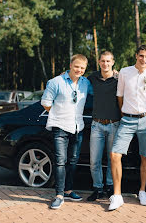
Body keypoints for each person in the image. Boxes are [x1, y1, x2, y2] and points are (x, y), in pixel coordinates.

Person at [108, 45, 146, 211]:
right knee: (114, 154)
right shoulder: (125, 72)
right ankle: (117, 195)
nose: (144, 60)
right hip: (127, 120)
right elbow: (119, 95)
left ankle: (142, 191)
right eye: (141, 56)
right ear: (136, 55)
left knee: (145, 157)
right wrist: (123, 113)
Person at [41, 54, 92, 210]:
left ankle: (68, 190)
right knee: (60, 161)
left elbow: (99, 90)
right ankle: (59, 195)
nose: (79, 70)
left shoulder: (85, 83)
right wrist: (58, 113)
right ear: (70, 65)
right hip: (60, 127)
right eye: (77, 66)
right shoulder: (56, 82)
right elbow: (45, 103)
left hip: (78, 127)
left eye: (82, 68)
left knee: (73, 160)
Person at [86, 51, 121, 201]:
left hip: (114, 124)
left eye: (108, 61)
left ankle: (109, 187)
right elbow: (76, 79)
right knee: (94, 160)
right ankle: (97, 188)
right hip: (97, 125)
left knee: (112, 159)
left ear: (113, 62)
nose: (105, 64)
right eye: (103, 61)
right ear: (99, 62)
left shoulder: (119, 78)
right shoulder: (92, 78)